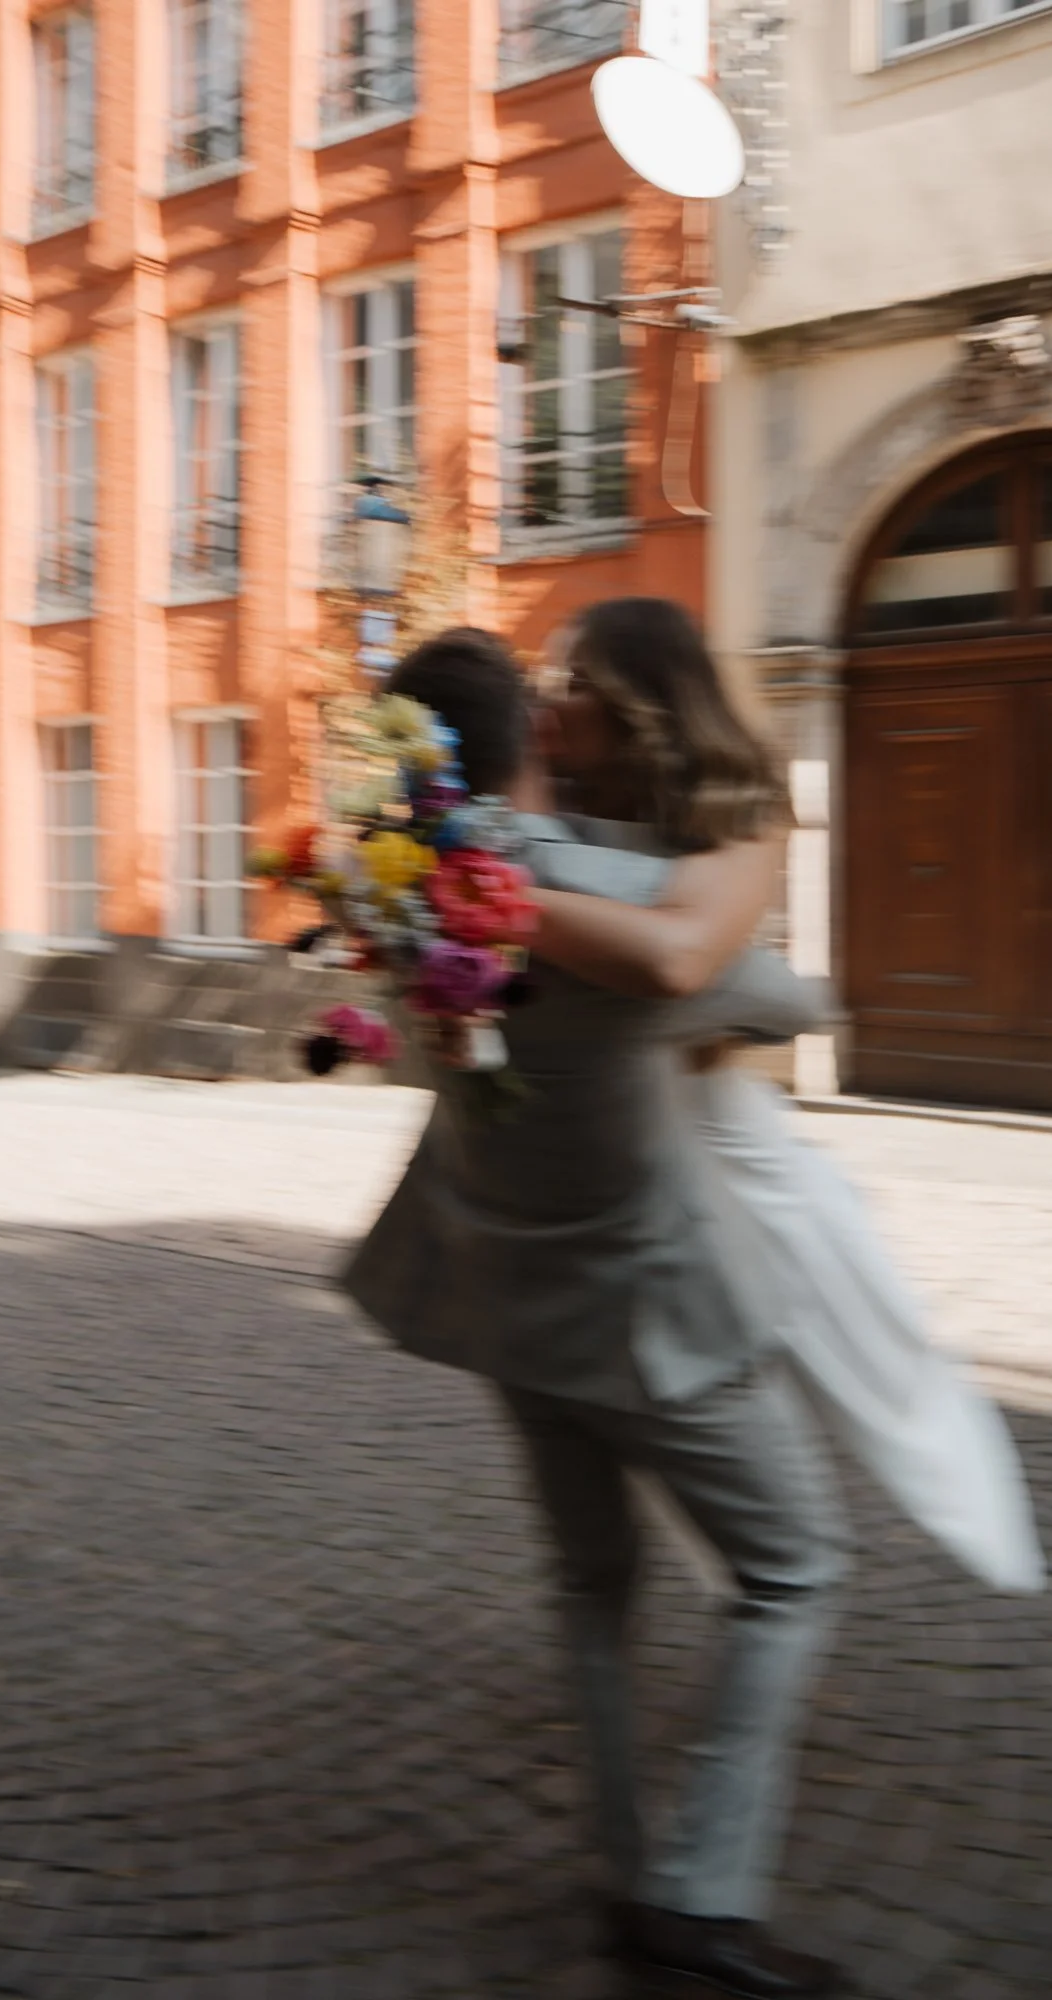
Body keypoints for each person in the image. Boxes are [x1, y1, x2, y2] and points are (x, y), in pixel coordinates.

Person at [344, 626, 850, 1998]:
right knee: (792, 1569)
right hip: (650, 1310)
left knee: (592, 1583)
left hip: (508, 1304)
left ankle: (631, 1870)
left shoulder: (391, 893)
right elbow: (779, 995)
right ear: (531, 736)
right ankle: (698, 1896)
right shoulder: (607, 884)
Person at [529, 598, 1046, 1602]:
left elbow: (708, 973)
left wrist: (500, 893)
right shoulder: (536, 802)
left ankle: (973, 1529)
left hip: (725, 1134)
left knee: (875, 1344)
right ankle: (742, 1567)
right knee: (669, 1383)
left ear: (641, 702)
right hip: (620, 1155)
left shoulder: (736, 809)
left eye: (575, 680)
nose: (550, 701)